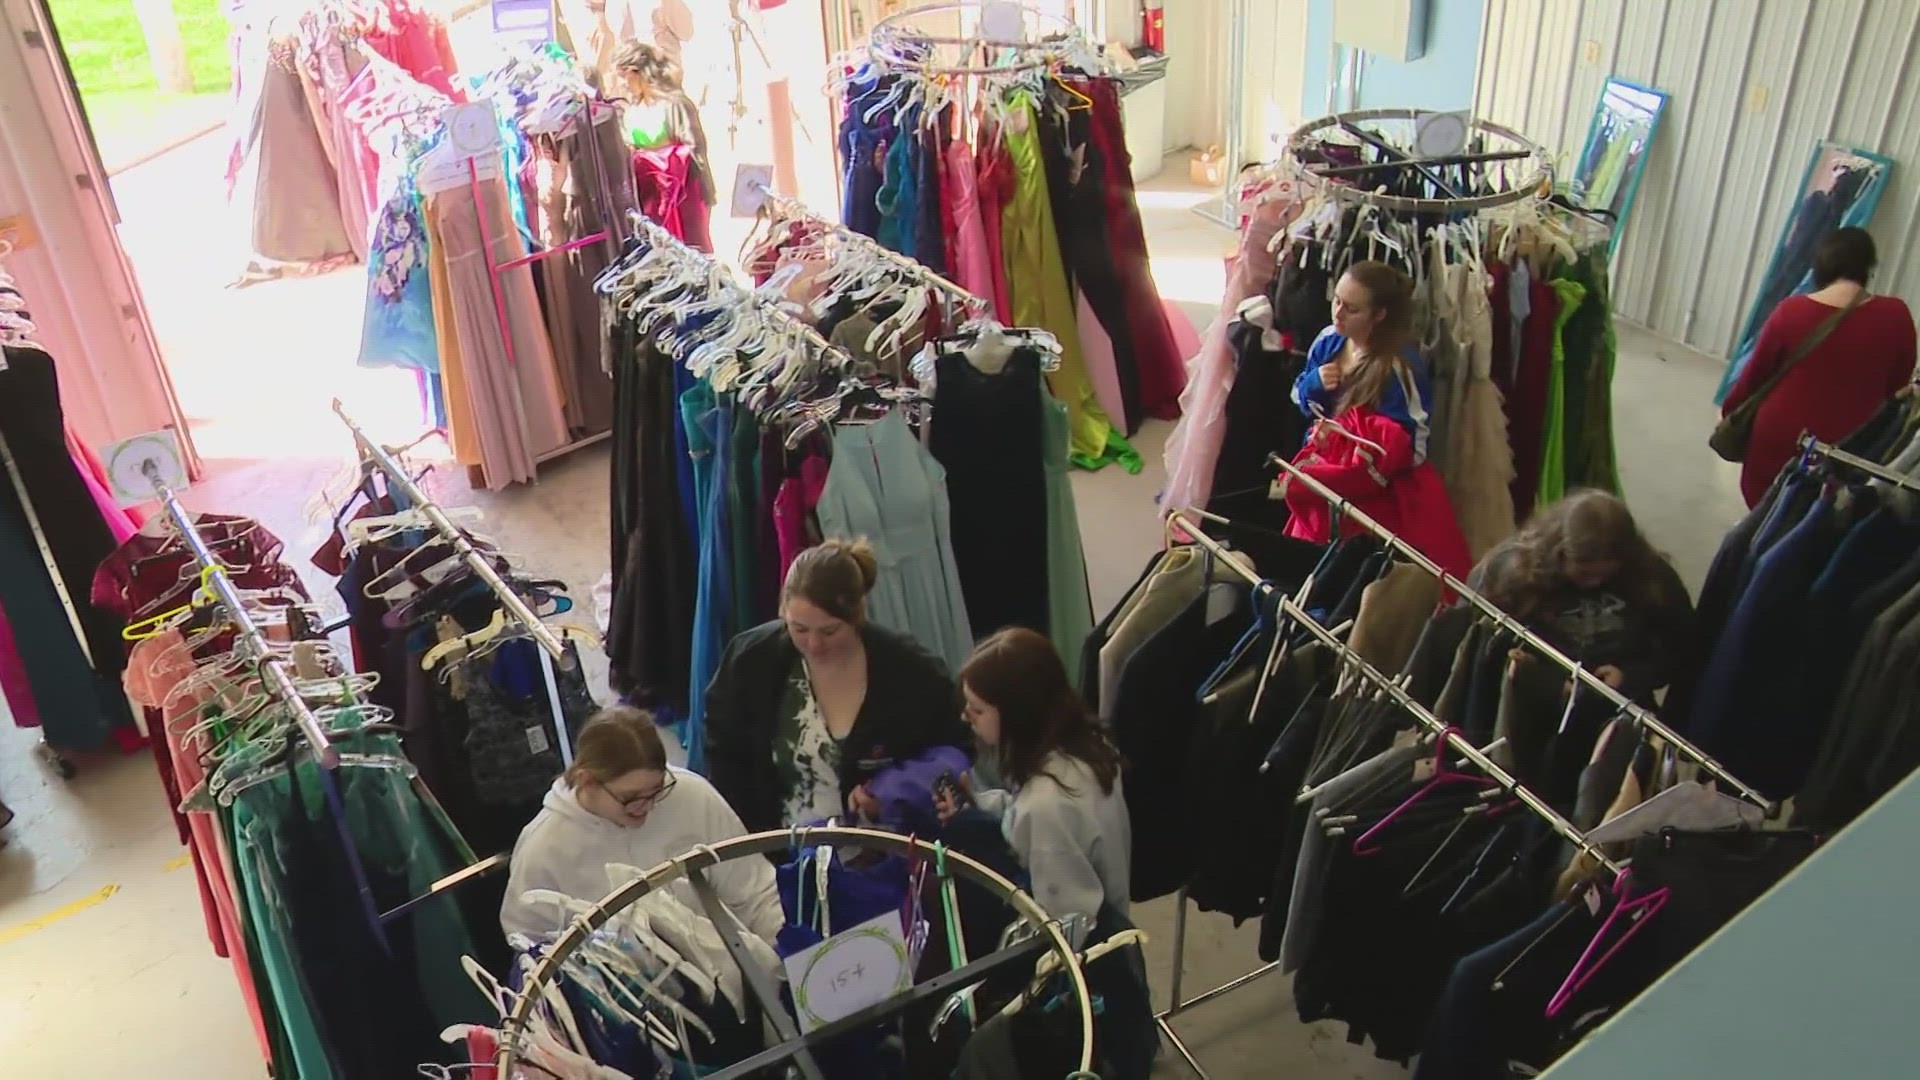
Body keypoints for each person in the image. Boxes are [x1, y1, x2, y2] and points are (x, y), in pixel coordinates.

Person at [706, 538, 967, 833]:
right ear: (782, 611)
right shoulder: (750, 661)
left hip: (886, 852)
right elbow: (725, 757)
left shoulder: (913, 671)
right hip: (776, 852)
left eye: (829, 631)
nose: (814, 645)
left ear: (858, 616)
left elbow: (953, 749)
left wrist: (896, 790)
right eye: (799, 628)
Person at [500, 707, 782, 942]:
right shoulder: (543, 849)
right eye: (631, 798)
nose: (647, 807)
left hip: (730, 980)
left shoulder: (691, 795)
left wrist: (789, 966)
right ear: (587, 781)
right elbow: (530, 946)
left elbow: (754, 892)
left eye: (657, 791)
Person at [1280, 260, 1472, 577]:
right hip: (1327, 478)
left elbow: (1416, 445)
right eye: (1337, 300)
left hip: (1378, 499)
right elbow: (1298, 394)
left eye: (1351, 308)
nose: (1338, 313)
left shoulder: (1399, 367)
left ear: (1379, 315)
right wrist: (1312, 387)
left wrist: (1357, 441)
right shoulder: (1328, 339)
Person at [938, 627, 1130, 927]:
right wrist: (980, 805)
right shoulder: (1084, 749)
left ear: (1017, 713)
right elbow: (1028, 815)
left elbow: (1065, 923)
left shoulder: (1044, 807)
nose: (966, 717)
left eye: (977, 710)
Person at [1722, 227, 1917, 507]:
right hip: (1854, 450)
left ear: (1822, 264)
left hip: (1780, 442)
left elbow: (1754, 377)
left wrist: (1731, 412)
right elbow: (1897, 388)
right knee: (1822, 523)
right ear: (1868, 266)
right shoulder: (1896, 315)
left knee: (1766, 515)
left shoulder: (1790, 311)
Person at [1470, 489, 1693, 704]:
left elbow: (1683, 650)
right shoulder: (1509, 572)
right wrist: (1542, 680)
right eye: (1584, 573)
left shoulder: (1652, 577)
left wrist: (1630, 677)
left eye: (1605, 575)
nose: (1594, 583)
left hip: (1617, 710)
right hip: (1522, 706)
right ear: (1559, 553)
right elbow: (1474, 648)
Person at [611, 40, 715, 250]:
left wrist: (653, 160)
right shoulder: (631, 110)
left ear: (634, 72)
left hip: (683, 198)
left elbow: (694, 153)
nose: (620, 84)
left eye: (622, 77)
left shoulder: (675, 104)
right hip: (651, 201)